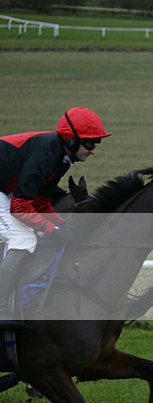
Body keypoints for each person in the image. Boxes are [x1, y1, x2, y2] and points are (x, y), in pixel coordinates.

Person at [0, 106, 111, 325]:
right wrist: (54, 230)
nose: (93, 150)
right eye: (90, 143)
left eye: (96, 144)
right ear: (71, 140)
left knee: (37, 233)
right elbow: (21, 207)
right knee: (22, 238)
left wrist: (61, 224)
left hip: (5, 189)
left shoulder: (61, 158)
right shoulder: (45, 154)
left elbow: (40, 200)